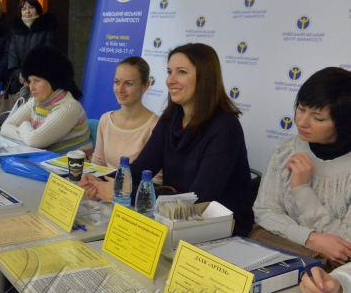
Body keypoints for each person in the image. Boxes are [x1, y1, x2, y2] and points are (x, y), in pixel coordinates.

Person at [110, 43, 255, 237]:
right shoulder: (171, 118)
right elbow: (138, 170)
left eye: (182, 72)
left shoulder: (225, 127)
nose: (170, 80)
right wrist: (100, 182)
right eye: (170, 72)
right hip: (174, 221)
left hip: (219, 229)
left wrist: (125, 192)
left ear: (204, 78)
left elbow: (198, 200)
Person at [251, 67, 351, 268]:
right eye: (301, 108)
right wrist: (311, 238)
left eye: (318, 118)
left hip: (332, 279)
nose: (301, 122)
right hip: (276, 260)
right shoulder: (285, 150)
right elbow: (264, 211)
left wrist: (302, 191)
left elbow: (344, 246)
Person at [78, 57, 160, 202]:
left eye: (128, 84)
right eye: (116, 82)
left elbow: (156, 181)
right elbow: (98, 165)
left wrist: (119, 193)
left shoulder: (156, 126)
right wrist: (92, 183)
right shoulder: (105, 119)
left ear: (145, 86)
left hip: (135, 203)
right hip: (104, 196)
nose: (120, 89)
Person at [0, 46, 93, 153]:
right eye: (30, 81)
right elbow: (5, 127)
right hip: (49, 163)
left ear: (53, 81)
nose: (31, 87)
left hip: (74, 167)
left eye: (37, 81)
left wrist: (25, 125)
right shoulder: (37, 101)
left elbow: (34, 141)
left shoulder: (69, 107)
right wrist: (29, 135)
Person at [7, 0, 60, 93]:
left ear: (38, 9)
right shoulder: (16, 31)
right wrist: (20, 75)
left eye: (31, 7)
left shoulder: (47, 29)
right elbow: (12, 57)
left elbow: (48, 56)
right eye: (24, 9)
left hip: (41, 82)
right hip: (19, 83)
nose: (27, 12)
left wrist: (31, 78)